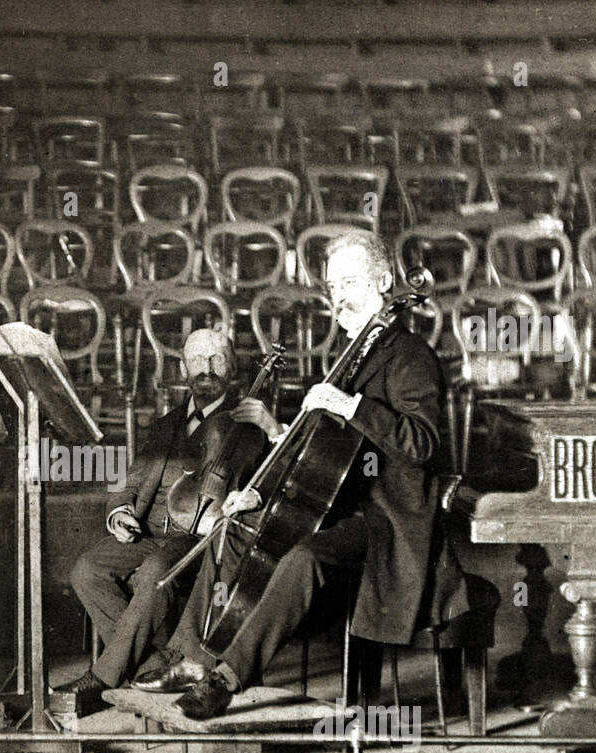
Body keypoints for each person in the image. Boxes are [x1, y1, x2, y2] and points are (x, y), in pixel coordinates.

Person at [145, 230, 470, 720]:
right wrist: (260, 495)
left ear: (384, 283)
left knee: (302, 560)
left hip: (389, 519)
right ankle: (194, 657)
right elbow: (316, 453)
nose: (338, 297)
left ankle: (227, 678)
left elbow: (422, 443)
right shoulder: (345, 358)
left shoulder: (410, 356)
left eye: (351, 282)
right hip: (339, 503)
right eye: (333, 286)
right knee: (233, 529)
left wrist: (351, 404)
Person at [57, 326, 274, 712]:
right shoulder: (165, 424)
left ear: (233, 366)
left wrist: (271, 431)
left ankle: (103, 676)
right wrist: (121, 512)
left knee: (157, 571)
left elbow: (272, 484)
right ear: (183, 368)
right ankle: (156, 667)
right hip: (149, 530)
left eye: (216, 358)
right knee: (86, 569)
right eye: (196, 359)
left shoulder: (249, 426)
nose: (205, 367)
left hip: (197, 537)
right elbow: (129, 483)